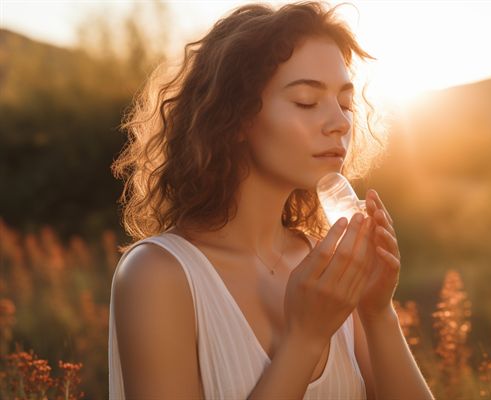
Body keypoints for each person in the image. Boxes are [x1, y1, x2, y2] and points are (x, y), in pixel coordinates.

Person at [108, 1, 434, 399]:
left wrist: (377, 311)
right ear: (237, 116)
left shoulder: (331, 273)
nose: (341, 122)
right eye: (307, 102)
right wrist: (305, 338)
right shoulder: (158, 275)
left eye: (345, 104)